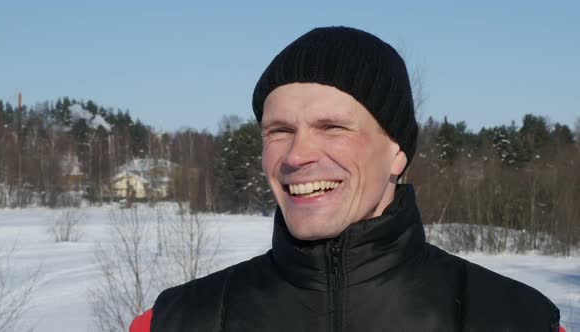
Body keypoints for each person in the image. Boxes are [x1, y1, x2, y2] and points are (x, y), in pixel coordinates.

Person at [130, 26, 564, 332]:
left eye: (332, 127)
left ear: (397, 152)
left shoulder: (516, 319)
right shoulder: (174, 321)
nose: (297, 155)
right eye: (279, 131)